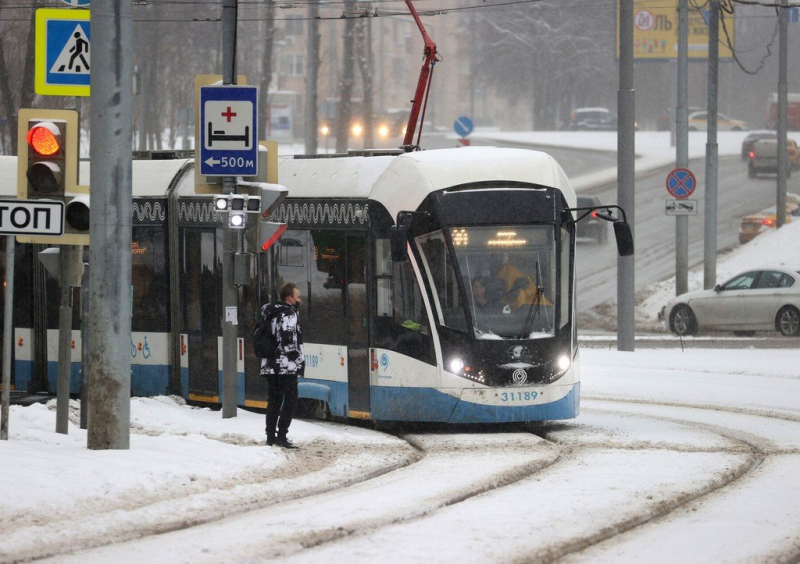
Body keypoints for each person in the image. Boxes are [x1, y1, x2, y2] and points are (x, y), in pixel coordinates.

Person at [260, 283, 304, 449]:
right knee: (291, 400)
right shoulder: (288, 313)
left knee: (274, 400)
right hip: (285, 366)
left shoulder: (270, 313)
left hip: (270, 365)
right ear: (289, 298)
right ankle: (282, 435)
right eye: (297, 297)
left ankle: (271, 437)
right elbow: (287, 341)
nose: (299, 300)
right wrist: (299, 360)